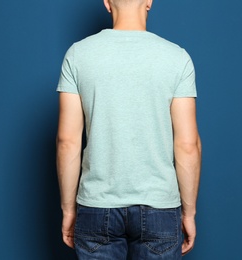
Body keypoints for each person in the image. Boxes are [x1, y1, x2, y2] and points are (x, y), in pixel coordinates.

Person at [56, 0, 201, 259]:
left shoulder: (78, 54)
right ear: (149, 1)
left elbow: (67, 141)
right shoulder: (177, 57)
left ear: (107, 3)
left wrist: (68, 210)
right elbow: (187, 145)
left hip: (96, 206)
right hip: (159, 207)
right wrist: (189, 213)